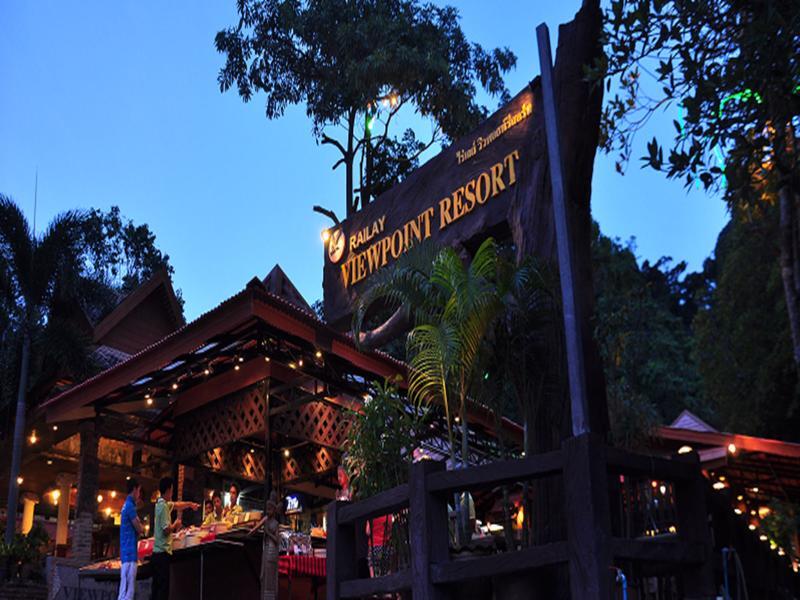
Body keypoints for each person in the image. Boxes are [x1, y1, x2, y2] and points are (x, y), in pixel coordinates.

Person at [150, 477, 199, 600]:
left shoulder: (160, 503)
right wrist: (176, 525)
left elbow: (177, 505)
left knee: (156, 589)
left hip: (156, 553)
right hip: (162, 554)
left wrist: (190, 505)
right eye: (171, 490)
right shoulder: (164, 507)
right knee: (162, 590)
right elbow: (166, 530)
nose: (172, 493)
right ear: (168, 490)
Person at [249, 492, 280, 600]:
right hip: (266, 549)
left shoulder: (276, 524)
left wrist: (268, 533)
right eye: (267, 509)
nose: (268, 511)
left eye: (270, 509)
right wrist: (249, 532)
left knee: (270, 575)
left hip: (272, 551)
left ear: (274, 510)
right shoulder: (266, 519)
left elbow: (277, 540)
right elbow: (255, 528)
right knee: (264, 575)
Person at [118, 478, 144, 600]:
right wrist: (141, 527)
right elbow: (139, 528)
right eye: (139, 491)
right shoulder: (129, 507)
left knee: (124, 590)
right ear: (134, 489)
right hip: (130, 555)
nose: (139, 494)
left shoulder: (126, 506)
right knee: (128, 593)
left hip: (126, 554)